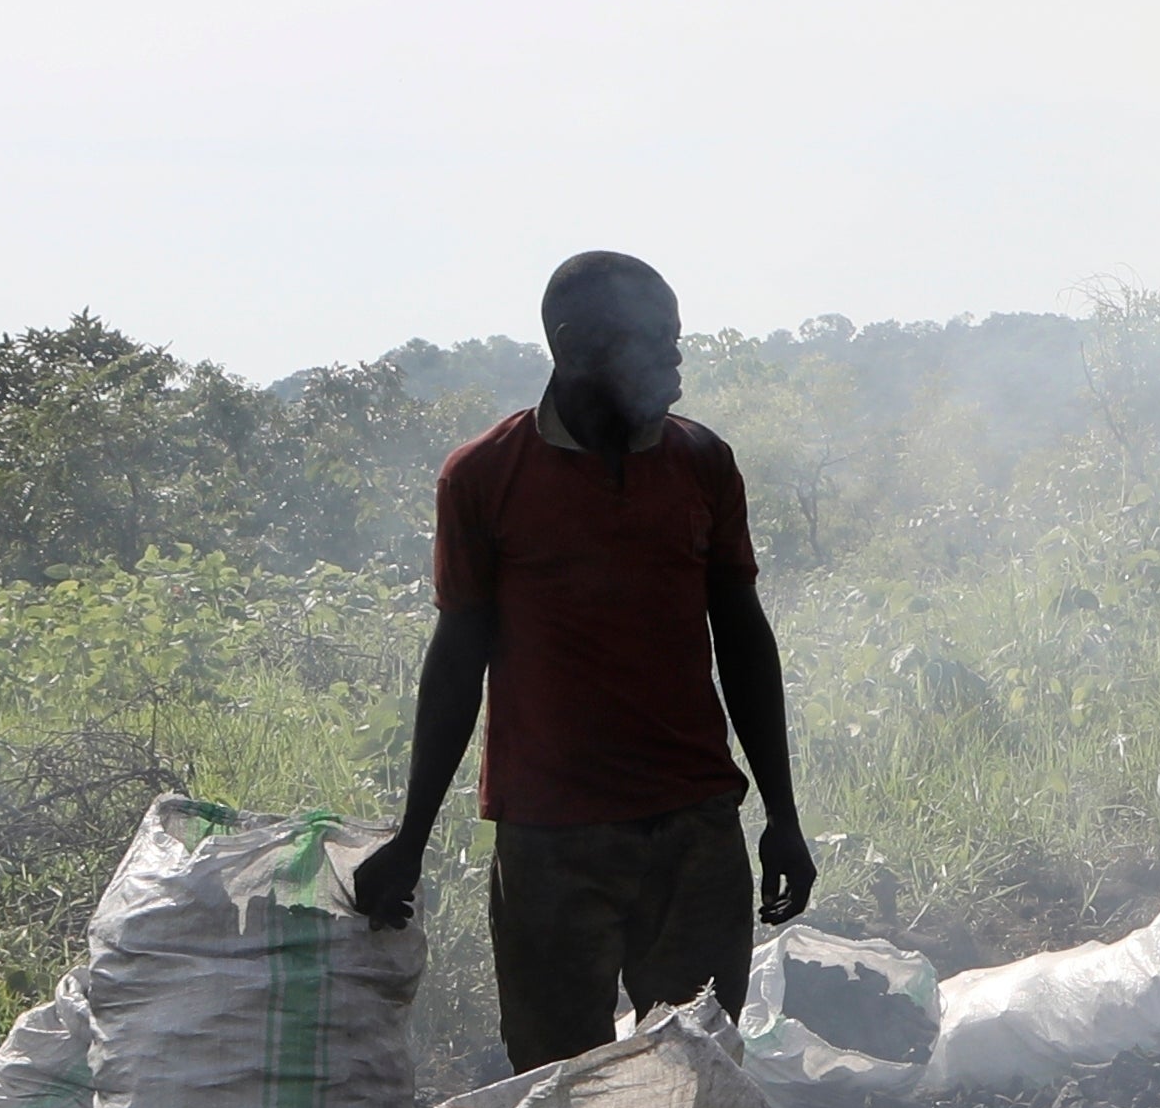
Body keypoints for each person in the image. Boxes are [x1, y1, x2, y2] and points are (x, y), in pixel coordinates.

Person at [348, 252, 816, 1064]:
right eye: (652, 342)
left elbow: (741, 635)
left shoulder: (701, 462)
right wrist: (411, 836)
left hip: (694, 831)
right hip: (551, 843)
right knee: (555, 1079)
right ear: (573, 347)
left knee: (698, 1074)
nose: (675, 361)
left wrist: (781, 814)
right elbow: (459, 658)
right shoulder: (485, 477)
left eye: (676, 339)